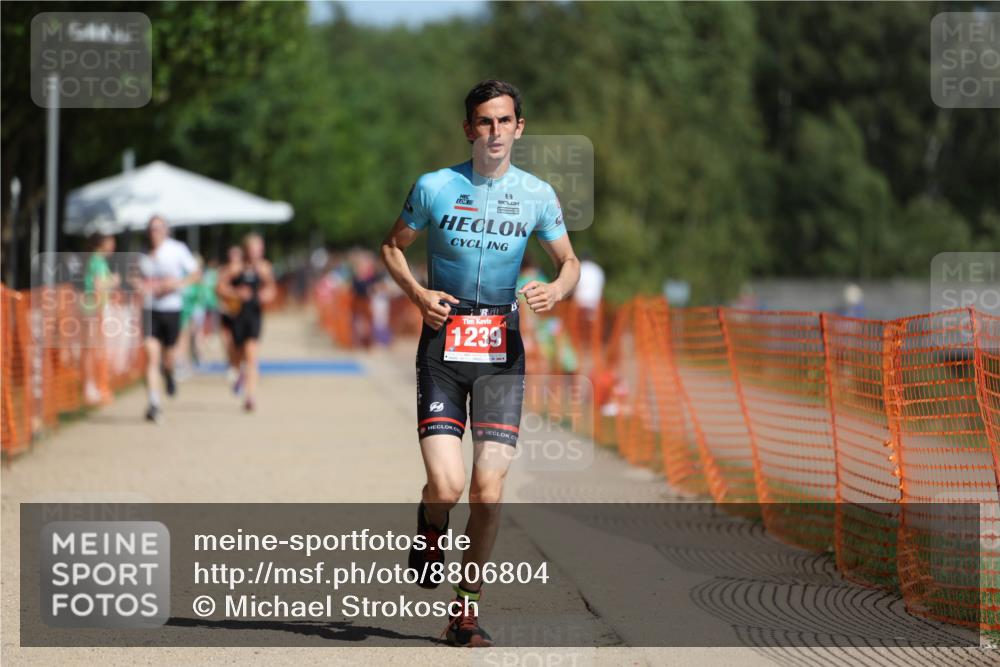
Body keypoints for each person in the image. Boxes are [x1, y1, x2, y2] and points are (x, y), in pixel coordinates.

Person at [380, 79, 580, 647]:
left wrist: (557, 290)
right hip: (443, 348)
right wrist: (419, 296)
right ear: (469, 129)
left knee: (488, 491)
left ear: (519, 128)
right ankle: (429, 524)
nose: (494, 132)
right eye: (484, 122)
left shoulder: (537, 194)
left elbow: (569, 262)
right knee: (445, 485)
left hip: (501, 352)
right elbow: (391, 247)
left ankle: (465, 611)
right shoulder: (435, 187)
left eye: (504, 121)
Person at [138, 216, 200, 424]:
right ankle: (154, 403)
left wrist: (176, 285)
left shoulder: (177, 249)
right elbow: (133, 278)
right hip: (149, 309)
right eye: (151, 229)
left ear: (166, 231)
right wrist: (141, 286)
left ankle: (170, 373)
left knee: (168, 356)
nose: (154, 232)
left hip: (171, 308)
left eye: (158, 228)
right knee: (151, 355)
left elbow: (195, 273)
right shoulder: (142, 253)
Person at [216, 233, 275, 412]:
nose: (255, 253)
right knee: (236, 356)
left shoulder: (264, 268)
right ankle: (238, 374)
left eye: (258, 249)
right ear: (245, 250)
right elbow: (219, 288)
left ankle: (250, 397)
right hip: (236, 316)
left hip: (254, 315)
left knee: (251, 356)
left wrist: (265, 296)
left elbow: (271, 288)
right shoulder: (235, 268)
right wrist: (235, 293)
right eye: (252, 249)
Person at [82, 231, 120, 405]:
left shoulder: (98, 260)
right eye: (110, 242)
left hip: (94, 307)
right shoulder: (98, 260)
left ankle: (93, 386)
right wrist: (113, 281)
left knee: (93, 349)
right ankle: (89, 387)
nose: (113, 246)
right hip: (93, 308)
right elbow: (98, 286)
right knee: (91, 349)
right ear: (101, 244)